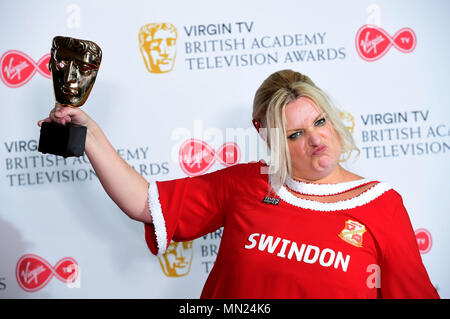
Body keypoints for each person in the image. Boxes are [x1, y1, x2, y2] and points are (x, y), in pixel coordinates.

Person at [38, 69, 439, 299]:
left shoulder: (381, 205)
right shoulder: (247, 183)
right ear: (267, 136)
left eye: (319, 122)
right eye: (295, 134)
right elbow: (145, 202)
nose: (317, 139)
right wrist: (91, 135)